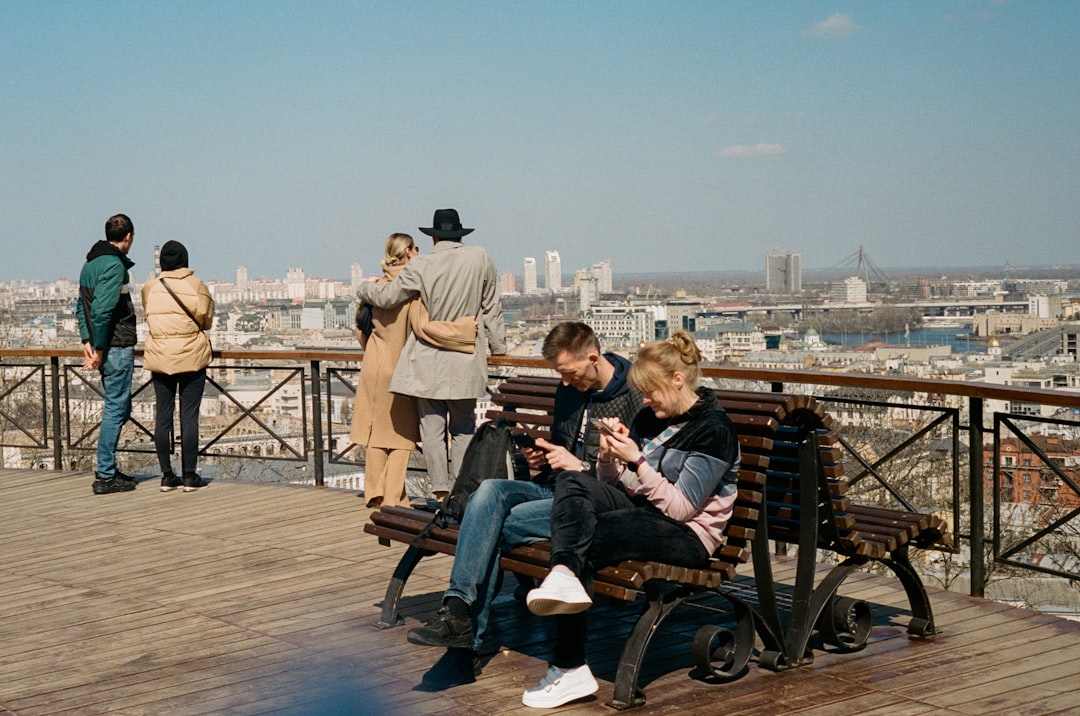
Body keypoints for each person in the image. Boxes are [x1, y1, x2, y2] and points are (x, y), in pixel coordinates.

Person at [520, 331, 741, 709]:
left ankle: (569, 666)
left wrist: (638, 460)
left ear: (677, 380)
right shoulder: (650, 417)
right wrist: (609, 458)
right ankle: (563, 576)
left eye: (650, 390)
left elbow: (682, 509)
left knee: (584, 540)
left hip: (689, 536)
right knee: (574, 481)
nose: (644, 399)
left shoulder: (714, 430)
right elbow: (617, 486)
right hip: (645, 513)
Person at [405, 322, 643, 663]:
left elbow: (636, 477)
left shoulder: (635, 395)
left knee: (492, 522)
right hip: (555, 486)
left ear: (593, 357)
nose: (565, 382)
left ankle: (466, 629)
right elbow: (562, 446)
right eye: (560, 374)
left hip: (592, 502)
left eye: (570, 373)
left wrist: (579, 466)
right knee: (487, 494)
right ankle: (457, 606)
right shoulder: (570, 391)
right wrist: (539, 457)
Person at [355, 209, 505, 499]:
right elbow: (491, 308)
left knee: (432, 428)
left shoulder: (422, 264)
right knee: (462, 428)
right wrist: (499, 348)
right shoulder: (480, 257)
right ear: (460, 234)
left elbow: (387, 297)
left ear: (433, 236)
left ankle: (440, 491)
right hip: (465, 358)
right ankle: (462, 490)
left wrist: (363, 289)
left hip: (427, 360)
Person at [350, 233, 477, 508]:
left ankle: (375, 491)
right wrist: (465, 332)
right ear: (408, 252)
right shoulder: (412, 289)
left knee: (376, 433)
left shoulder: (374, 287)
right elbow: (422, 328)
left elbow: (360, 328)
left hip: (372, 364)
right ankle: (393, 496)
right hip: (400, 368)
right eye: (416, 248)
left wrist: (371, 349)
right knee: (401, 436)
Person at [141, 240, 215, 493]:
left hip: (160, 358)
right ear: (185, 260)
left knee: (163, 416)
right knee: (189, 416)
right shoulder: (196, 286)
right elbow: (206, 320)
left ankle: (166, 475)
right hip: (191, 356)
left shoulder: (150, 288)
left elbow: (149, 315)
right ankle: (190, 476)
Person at [78, 213, 139, 495]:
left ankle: (108, 469)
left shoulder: (90, 264)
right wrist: (100, 349)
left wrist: (86, 340)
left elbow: (82, 307)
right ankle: (105, 473)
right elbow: (101, 311)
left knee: (118, 407)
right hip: (116, 345)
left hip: (104, 344)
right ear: (128, 237)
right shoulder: (115, 266)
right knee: (116, 408)